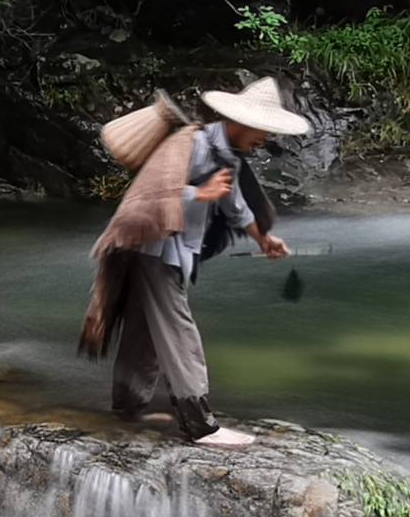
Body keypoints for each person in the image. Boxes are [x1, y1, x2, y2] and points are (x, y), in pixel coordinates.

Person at [80, 76, 305, 448]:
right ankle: (200, 424)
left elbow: (235, 208)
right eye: (262, 129)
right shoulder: (193, 143)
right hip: (154, 249)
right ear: (239, 122)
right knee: (179, 330)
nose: (265, 138)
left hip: (171, 252)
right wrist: (199, 193)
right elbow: (153, 193)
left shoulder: (228, 155)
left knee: (145, 332)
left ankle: (128, 409)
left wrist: (264, 239)